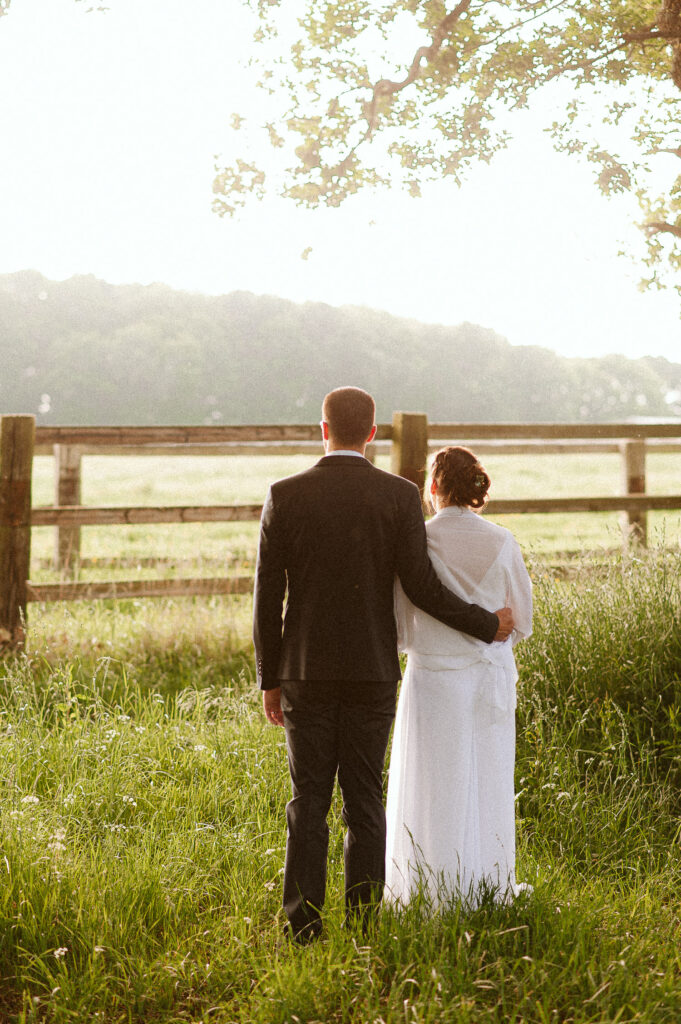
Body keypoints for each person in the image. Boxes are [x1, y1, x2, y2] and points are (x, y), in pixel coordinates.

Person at [253, 388, 514, 943]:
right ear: (371, 434)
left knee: (309, 800)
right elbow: (422, 587)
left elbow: (266, 596)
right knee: (365, 799)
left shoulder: (284, 494)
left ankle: (303, 926)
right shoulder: (397, 496)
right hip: (372, 668)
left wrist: (269, 679)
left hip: (304, 671)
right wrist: (486, 624)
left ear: (323, 430)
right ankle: (367, 922)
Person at [385, 445, 533, 910]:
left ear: (432, 487)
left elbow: (400, 627)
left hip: (432, 678)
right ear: (475, 488)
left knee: (433, 785)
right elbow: (522, 622)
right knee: (486, 779)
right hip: (487, 678)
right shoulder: (502, 541)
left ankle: (427, 891)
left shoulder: (417, 543)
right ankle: (485, 885)